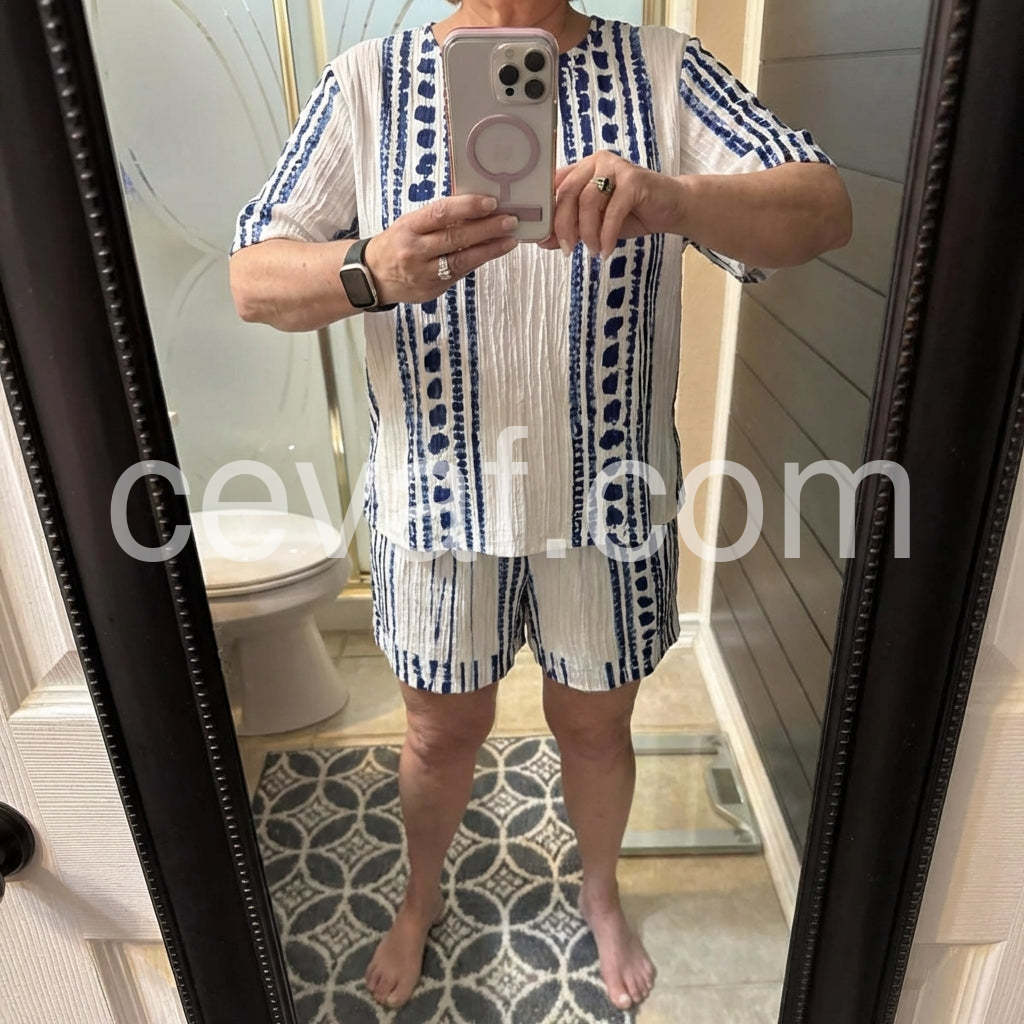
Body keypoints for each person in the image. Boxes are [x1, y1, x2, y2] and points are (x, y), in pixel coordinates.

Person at [229, 0, 851, 1012]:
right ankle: (421, 894)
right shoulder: (365, 83)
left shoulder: (666, 71)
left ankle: (599, 893)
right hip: (435, 507)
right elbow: (253, 278)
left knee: (597, 730)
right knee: (438, 733)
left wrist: (674, 197)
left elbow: (823, 208)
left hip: (610, 505)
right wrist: (370, 267)